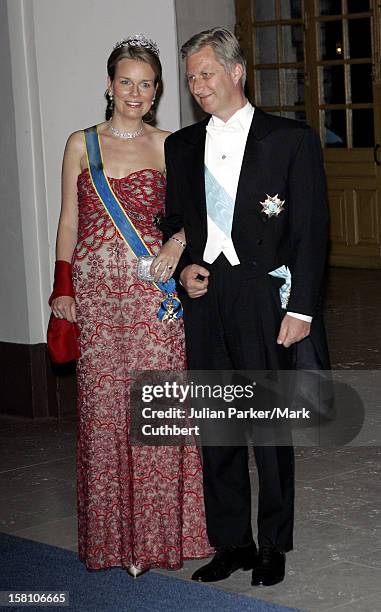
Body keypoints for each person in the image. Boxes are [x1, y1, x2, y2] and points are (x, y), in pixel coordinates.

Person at [163, 27, 330, 586]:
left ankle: (273, 544)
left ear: (236, 72)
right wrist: (184, 270)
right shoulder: (181, 146)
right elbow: (176, 222)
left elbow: (311, 232)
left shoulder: (290, 139)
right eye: (191, 77)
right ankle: (232, 541)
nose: (197, 85)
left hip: (264, 296)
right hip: (206, 298)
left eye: (206, 73)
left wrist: (301, 308)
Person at [49, 34, 212, 575]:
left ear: (158, 90)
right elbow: (69, 222)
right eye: (126, 82)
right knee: (103, 415)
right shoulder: (81, 143)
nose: (135, 93)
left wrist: (173, 243)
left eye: (146, 84)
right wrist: (62, 288)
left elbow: (197, 214)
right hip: (96, 300)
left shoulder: (171, 144)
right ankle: (116, 542)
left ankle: (161, 539)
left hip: (151, 300)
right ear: (109, 85)